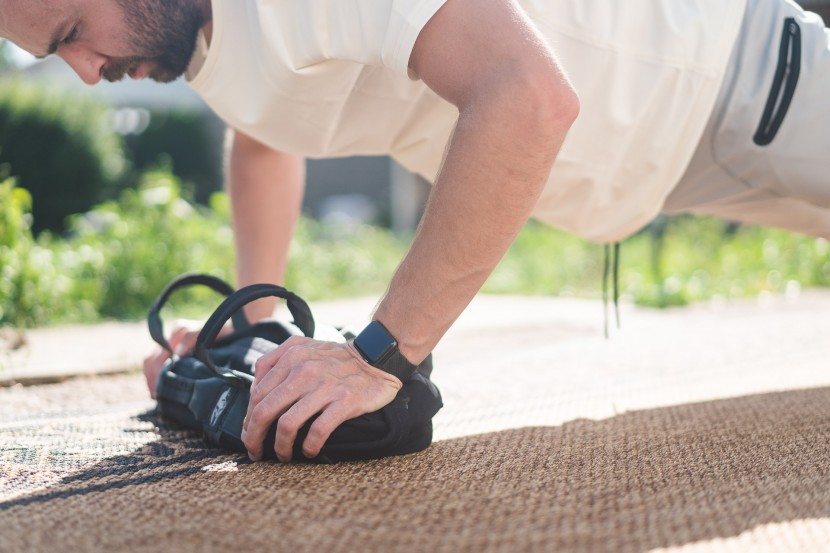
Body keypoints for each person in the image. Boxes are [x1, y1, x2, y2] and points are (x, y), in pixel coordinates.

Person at [2, 0, 828, 463]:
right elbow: (263, 131)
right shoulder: (204, 37)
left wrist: (382, 355)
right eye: (51, 55)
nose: (82, 71)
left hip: (740, 81)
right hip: (656, 156)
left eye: (72, 32)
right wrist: (255, 340)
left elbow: (526, 95)